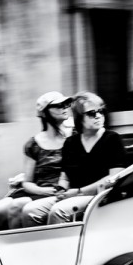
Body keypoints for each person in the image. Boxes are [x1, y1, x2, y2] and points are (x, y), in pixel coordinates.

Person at [21, 91, 127, 226]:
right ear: (79, 117)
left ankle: (59, 247)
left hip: (100, 196)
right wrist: (61, 189)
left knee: (58, 211)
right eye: (91, 113)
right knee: (30, 210)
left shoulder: (112, 139)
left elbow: (113, 178)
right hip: (73, 195)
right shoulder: (71, 143)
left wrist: (78, 192)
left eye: (101, 111)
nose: (98, 116)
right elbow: (65, 177)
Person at [0, 91, 74, 230]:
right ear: (45, 113)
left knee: (17, 206)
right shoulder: (33, 144)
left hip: (60, 191)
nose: (65, 107)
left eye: (66, 104)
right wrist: (42, 190)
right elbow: (27, 182)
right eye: (59, 105)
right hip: (37, 191)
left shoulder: (73, 137)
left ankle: (17, 247)